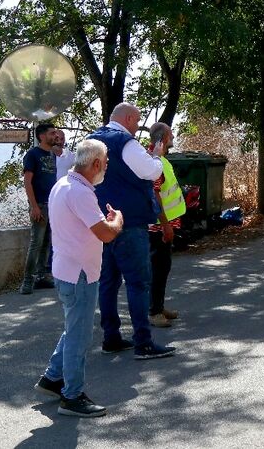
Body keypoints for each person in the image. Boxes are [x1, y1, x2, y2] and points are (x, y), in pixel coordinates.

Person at [34, 139, 124, 418]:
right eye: (106, 162)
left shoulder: (63, 185)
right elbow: (106, 234)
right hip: (80, 274)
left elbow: (87, 225)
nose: (106, 167)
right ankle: (71, 396)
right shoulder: (81, 193)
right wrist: (117, 220)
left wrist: (104, 221)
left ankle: (52, 379)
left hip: (67, 271)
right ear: (95, 163)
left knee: (73, 328)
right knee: (78, 335)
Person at [87, 103, 175, 360]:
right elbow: (150, 171)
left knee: (108, 282)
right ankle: (143, 343)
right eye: (137, 121)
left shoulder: (91, 139)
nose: (138, 127)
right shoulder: (125, 141)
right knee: (138, 283)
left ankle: (111, 337)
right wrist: (157, 156)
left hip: (101, 221)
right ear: (127, 119)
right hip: (129, 221)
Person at [146, 122, 185, 328]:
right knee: (158, 268)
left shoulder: (160, 160)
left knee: (163, 267)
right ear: (164, 138)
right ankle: (153, 311)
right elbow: (155, 194)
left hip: (165, 224)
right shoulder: (154, 162)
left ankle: (158, 306)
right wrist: (165, 225)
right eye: (170, 135)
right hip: (159, 226)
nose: (173, 138)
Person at [19, 123, 58, 294]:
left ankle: (42, 277)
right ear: (41, 136)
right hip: (40, 205)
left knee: (47, 242)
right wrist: (34, 206)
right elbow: (27, 181)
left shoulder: (52, 154)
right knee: (36, 243)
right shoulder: (32, 155)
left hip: (53, 205)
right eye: (51, 133)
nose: (55, 136)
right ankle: (27, 281)